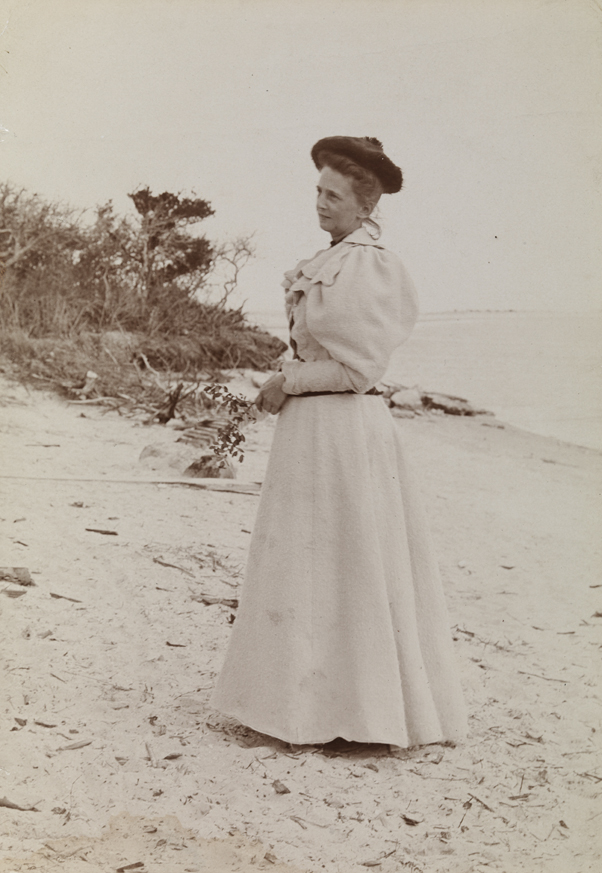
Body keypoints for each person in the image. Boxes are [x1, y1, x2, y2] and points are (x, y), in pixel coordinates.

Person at [211, 136, 467, 748]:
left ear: (363, 205)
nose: (321, 204)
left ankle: (360, 715)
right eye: (318, 191)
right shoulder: (331, 259)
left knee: (345, 567)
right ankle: (299, 709)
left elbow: (360, 371)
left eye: (334, 195)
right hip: (312, 431)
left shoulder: (370, 266)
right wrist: (288, 375)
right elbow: (317, 346)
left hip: (344, 434)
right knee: (306, 565)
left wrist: (284, 381)